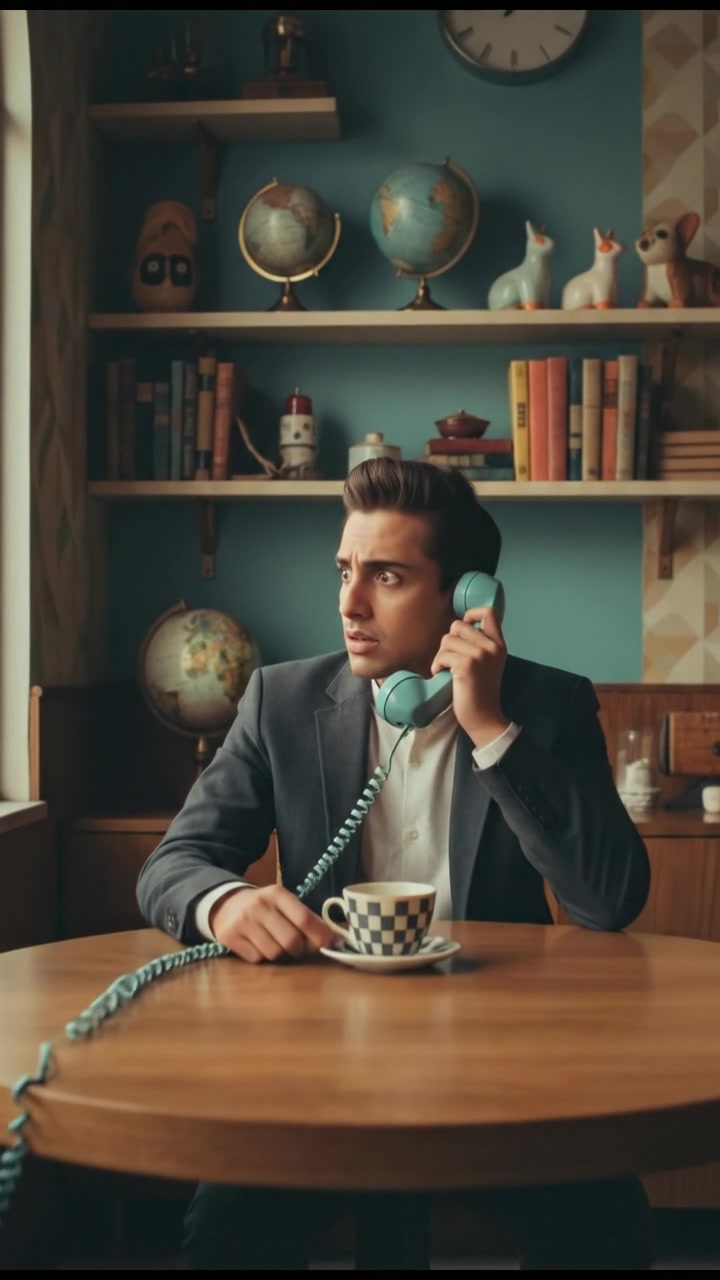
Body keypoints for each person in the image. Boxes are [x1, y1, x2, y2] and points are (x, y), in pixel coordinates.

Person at [136, 458, 654, 1271]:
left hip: (512, 1071)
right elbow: (176, 862)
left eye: (386, 575)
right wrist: (223, 904)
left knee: (608, 1232)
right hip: (321, 1070)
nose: (348, 603)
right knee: (221, 1239)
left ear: (466, 598)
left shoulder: (549, 705)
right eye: (345, 571)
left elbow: (610, 899)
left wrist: (490, 728)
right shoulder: (281, 701)